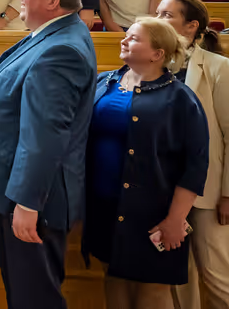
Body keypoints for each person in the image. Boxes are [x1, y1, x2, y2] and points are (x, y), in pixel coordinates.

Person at [0, 0, 97, 309]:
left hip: (35, 199)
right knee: (22, 292)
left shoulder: (62, 50)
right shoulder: (54, 34)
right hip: (18, 190)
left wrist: (28, 201)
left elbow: (45, 135)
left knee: (34, 297)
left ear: (53, 0)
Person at [84, 19, 208, 307]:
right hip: (104, 206)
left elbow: (195, 164)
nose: (124, 41)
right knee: (113, 277)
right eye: (126, 36)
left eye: (134, 38)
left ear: (157, 54)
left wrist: (175, 219)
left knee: (152, 290)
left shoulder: (180, 98)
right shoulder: (104, 82)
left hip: (155, 211)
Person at [158, 0, 229, 309]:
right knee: (178, 279)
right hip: (164, 188)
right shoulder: (153, 64)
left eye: (166, 15)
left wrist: (228, 193)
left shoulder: (219, 67)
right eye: (157, 13)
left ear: (191, 26)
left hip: (208, 192)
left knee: (217, 275)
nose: (158, 20)